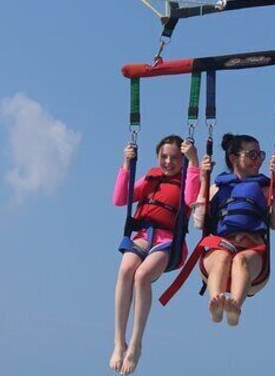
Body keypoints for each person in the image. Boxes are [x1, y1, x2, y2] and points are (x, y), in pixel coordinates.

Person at [110, 135, 199, 376]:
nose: (169, 162)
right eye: (164, 157)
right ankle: (119, 341)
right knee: (126, 270)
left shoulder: (187, 179)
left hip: (168, 242)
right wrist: (126, 166)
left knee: (142, 277)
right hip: (142, 235)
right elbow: (119, 199)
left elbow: (192, 198)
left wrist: (193, 162)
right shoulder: (150, 177)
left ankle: (136, 343)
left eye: (175, 158)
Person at [193, 133, 275, 326]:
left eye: (260, 155)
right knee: (223, 257)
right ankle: (216, 302)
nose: (258, 160)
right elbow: (199, 223)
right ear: (234, 158)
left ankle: (235, 305)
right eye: (252, 155)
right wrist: (203, 180)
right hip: (220, 247)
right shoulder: (216, 188)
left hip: (252, 251)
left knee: (240, 260)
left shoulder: (265, 189)